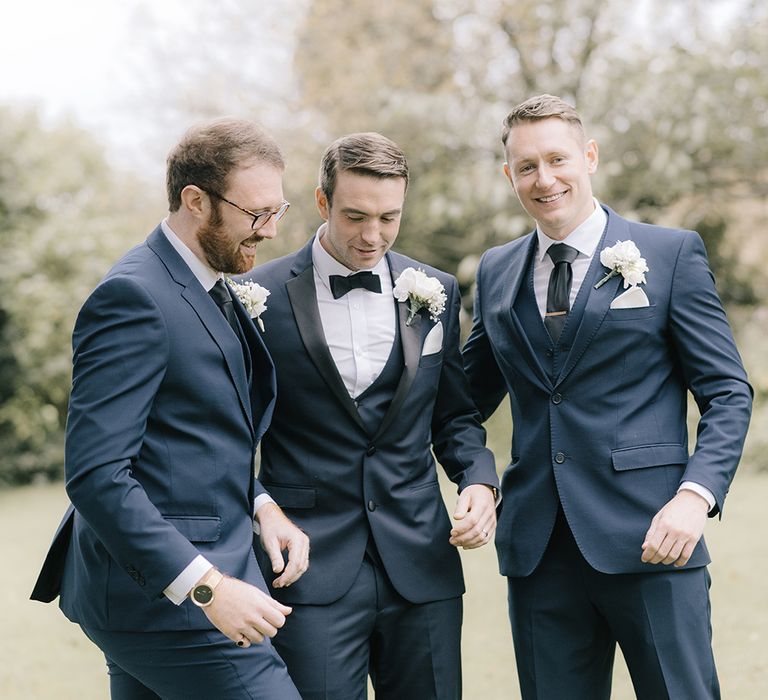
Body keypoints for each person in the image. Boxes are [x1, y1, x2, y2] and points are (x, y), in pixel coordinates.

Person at [462, 94, 752, 699]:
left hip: (654, 538)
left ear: (589, 156)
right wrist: (476, 477)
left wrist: (694, 499)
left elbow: (726, 390)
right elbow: (461, 401)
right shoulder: (495, 270)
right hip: (539, 553)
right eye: (526, 166)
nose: (545, 179)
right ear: (508, 175)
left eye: (558, 159)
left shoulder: (670, 255)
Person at [31, 118, 310, 700]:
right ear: (195, 201)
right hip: (168, 602)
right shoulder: (133, 297)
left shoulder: (209, 281)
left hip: (162, 592)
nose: (270, 232)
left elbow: (191, 436)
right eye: (256, 214)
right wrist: (207, 587)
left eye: (276, 212)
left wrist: (260, 503)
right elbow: (97, 475)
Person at [238, 132, 499, 699]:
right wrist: (261, 506)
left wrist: (478, 480)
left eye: (389, 218)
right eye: (356, 216)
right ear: (322, 202)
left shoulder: (436, 290)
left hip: (421, 563)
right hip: (307, 567)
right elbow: (229, 435)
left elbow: (453, 416)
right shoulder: (253, 297)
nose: (373, 236)